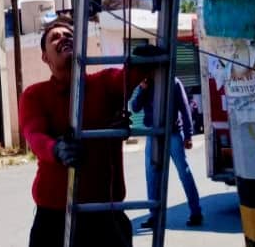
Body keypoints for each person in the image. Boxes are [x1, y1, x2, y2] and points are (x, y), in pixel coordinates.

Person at [19, 16, 149, 246]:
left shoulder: (105, 83)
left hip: (105, 212)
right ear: (44, 57)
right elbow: (34, 136)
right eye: (55, 37)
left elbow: (130, 77)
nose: (64, 38)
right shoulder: (35, 95)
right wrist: (57, 149)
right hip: (55, 214)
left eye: (69, 35)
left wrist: (143, 59)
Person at [130, 75, 203, 228]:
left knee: (184, 172)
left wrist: (189, 135)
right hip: (153, 134)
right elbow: (135, 107)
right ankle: (154, 216)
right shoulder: (146, 83)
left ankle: (196, 212)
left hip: (173, 134)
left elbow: (184, 108)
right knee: (151, 175)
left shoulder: (174, 82)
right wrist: (142, 89)